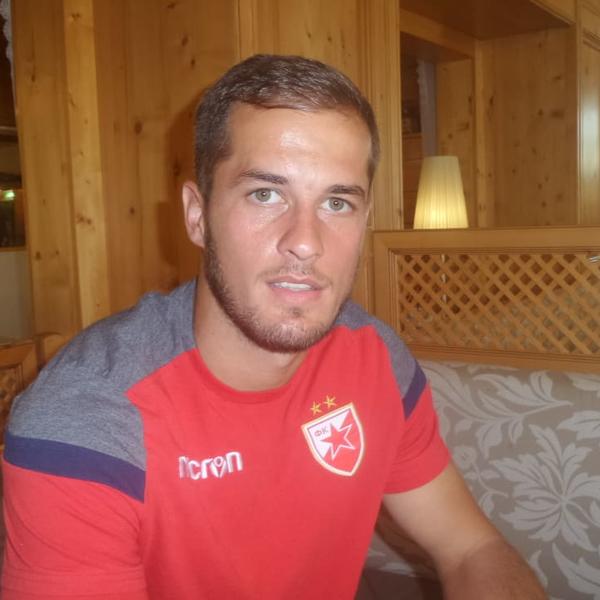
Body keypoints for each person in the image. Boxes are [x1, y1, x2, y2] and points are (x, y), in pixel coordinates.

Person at [1, 54, 545, 600]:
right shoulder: (86, 419)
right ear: (197, 215)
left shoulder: (375, 356)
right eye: (265, 194)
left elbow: (471, 548)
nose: (305, 242)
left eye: (337, 202)